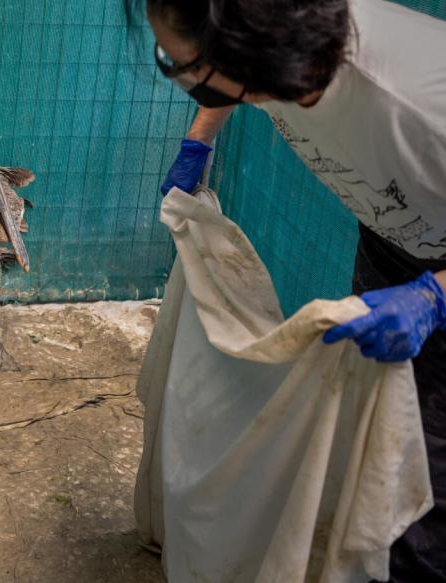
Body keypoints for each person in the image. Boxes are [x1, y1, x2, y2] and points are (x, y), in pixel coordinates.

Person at [144, 0, 446, 580]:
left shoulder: (416, 105)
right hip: (395, 233)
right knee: (373, 444)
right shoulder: (284, 41)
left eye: (176, 64)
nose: (177, 77)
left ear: (254, 52)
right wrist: (199, 139)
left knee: (427, 481)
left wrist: (434, 297)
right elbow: (218, 81)